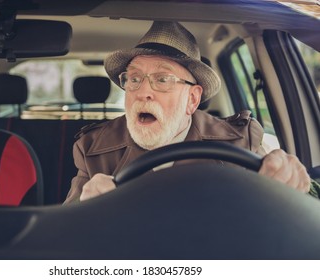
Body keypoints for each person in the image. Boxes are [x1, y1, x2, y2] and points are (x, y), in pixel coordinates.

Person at [64, 21, 319, 203]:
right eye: (134, 79)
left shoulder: (241, 141)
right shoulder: (91, 147)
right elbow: (64, 238)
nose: (142, 92)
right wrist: (84, 211)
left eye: (162, 80)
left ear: (192, 98)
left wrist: (296, 184)